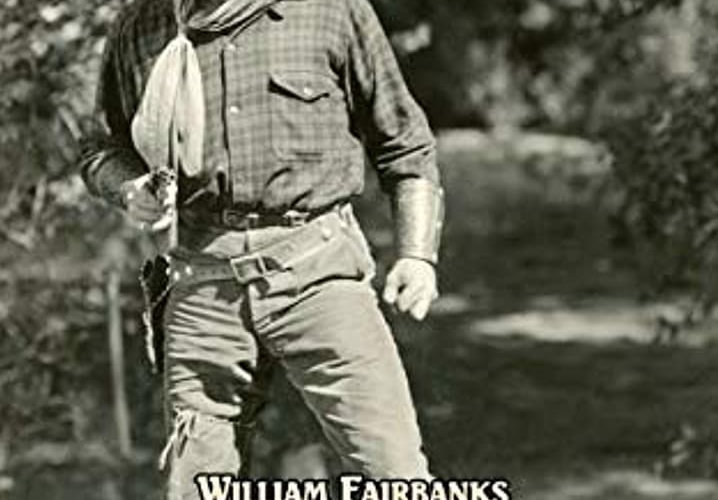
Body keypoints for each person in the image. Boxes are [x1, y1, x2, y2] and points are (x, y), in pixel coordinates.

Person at [80, 0, 444, 497]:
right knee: (196, 485)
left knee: (395, 474)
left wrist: (417, 255)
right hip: (202, 287)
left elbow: (404, 141)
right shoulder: (141, 25)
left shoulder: (329, 9)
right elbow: (101, 146)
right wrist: (129, 187)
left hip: (318, 272)